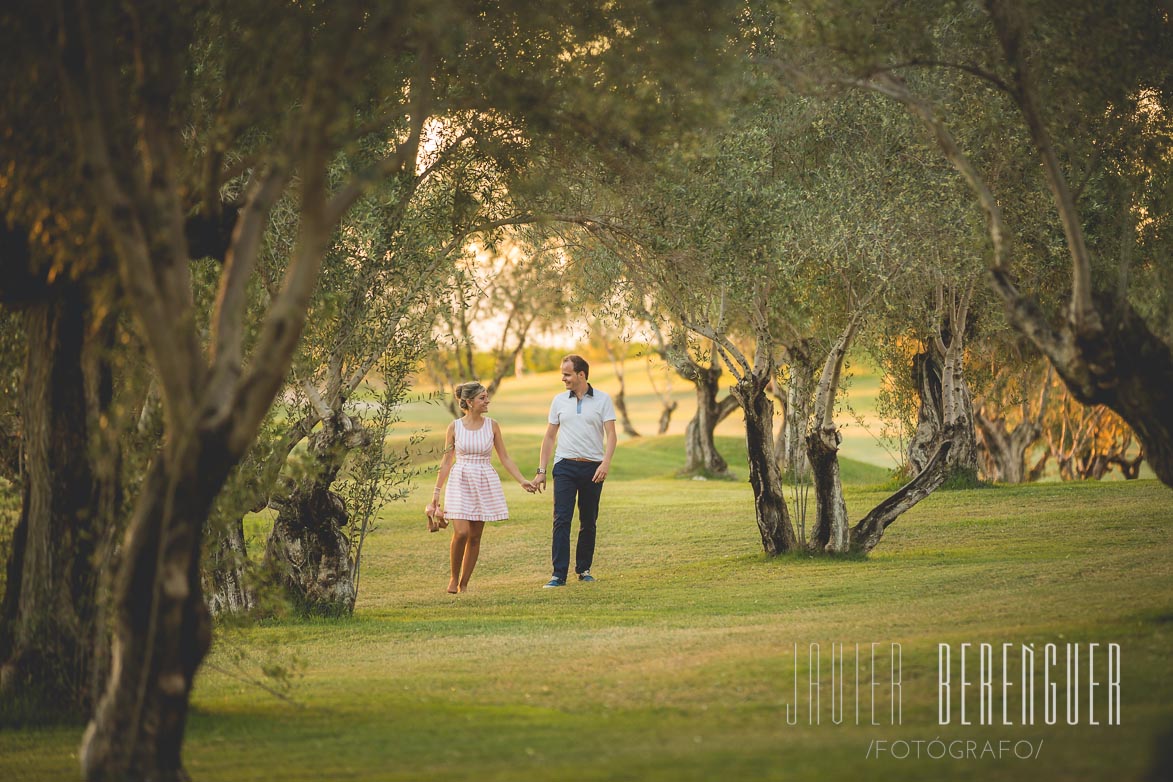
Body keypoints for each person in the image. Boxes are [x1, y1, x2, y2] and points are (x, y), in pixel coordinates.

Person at [432, 382, 535, 593]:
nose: (487, 401)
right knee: (461, 532)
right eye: (482, 398)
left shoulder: (492, 425)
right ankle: (453, 577)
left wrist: (521, 480)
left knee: (475, 536)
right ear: (469, 402)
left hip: (483, 480)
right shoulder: (454, 427)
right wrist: (436, 492)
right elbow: (446, 461)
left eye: (487, 397)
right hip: (460, 479)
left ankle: (464, 584)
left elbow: (504, 457)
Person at [532, 354, 617, 588]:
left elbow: (611, 435)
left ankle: (584, 569)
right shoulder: (559, 401)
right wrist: (542, 470)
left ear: (581, 374)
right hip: (565, 466)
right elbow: (549, 437)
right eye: (563, 374)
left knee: (588, 520)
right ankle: (558, 574)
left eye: (567, 374)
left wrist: (605, 463)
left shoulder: (602, 400)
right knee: (562, 519)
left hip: (593, 467)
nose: (563, 378)